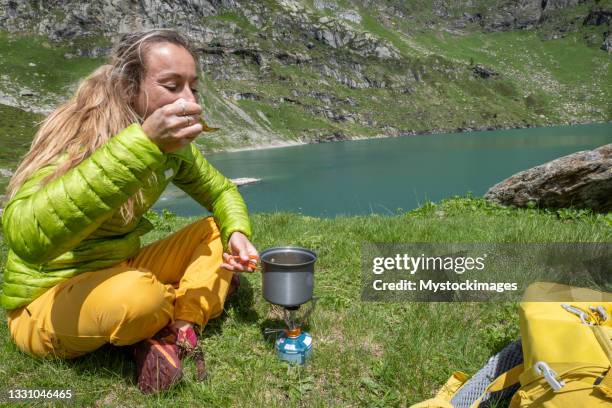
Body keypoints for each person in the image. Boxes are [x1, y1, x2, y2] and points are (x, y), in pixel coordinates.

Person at [0, 29, 258, 394]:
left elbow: (220, 190)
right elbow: (26, 238)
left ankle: (180, 327)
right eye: (171, 85)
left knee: (214, 230)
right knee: (139, 298)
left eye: (193, 87)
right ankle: (175, 302)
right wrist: (144, 144)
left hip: (120, 267)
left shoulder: (171, 146)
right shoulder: (78, 134)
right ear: (128, 87)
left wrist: (237, 234)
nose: (188, 100)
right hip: (46, 298)